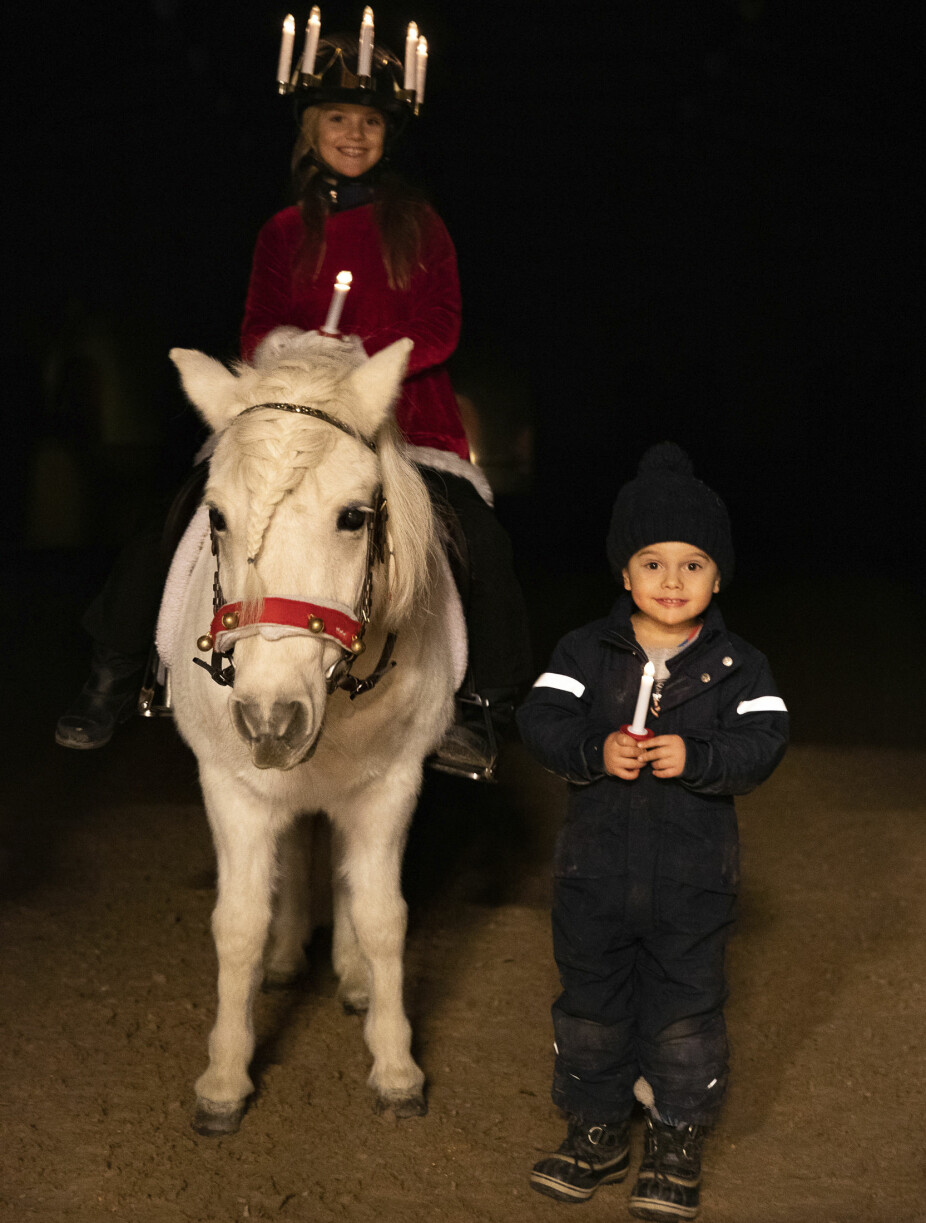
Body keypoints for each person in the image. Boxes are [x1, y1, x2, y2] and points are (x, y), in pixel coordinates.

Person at [56, 31, 531, 775]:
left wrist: (358, 359)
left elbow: (441, 328)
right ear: (311, 129)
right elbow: (256, 328)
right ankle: (115, 671)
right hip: (287, 417)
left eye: (369, 122)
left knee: (479, 540)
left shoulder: (421, 226)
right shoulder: (282, 232)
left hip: (404, 422)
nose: (353, 134)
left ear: (387, 136)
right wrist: (302, 357)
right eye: (338, 119)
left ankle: (482, 705)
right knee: (181, 512)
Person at [517, 443, 788, 1220]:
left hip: (693, 883)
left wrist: (697, 755)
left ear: (718, 573)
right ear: (624, 572)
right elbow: (540, 719)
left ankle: (675, 1136)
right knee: (591, 1008)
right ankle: (595, 1128)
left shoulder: (738, 665)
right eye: (652, 561)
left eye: (694, 563)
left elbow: (766, 742)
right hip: (592, 876)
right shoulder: (584, 651)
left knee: (683, 1013)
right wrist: (591, 747)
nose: (673, 581)